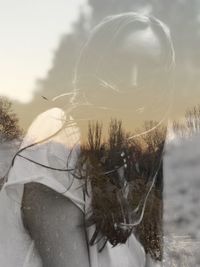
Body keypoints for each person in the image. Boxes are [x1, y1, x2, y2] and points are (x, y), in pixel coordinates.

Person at [0, 12, 175, 267]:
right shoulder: (59, 135)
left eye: (149, 69)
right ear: (96, 65)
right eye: (122, 63)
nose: (135, 81)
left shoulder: (136, 156)